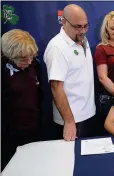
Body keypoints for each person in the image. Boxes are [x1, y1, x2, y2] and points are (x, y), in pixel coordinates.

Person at [1, 29, 53, 170]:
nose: (29, 61)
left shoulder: (35, 65)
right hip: (10, 134)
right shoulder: (3, 71)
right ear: (11, 55)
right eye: (24, 59)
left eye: (31, 56)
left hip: (36, 130)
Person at [44, 4, 97, 141]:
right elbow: (56, 88)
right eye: (78, 26)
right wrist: (69, 121)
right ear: (63, 22)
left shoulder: (82, 39)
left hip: (89, 114)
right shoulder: (57, 48)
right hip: (72, 120)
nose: (83, 30)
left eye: (86, 26)